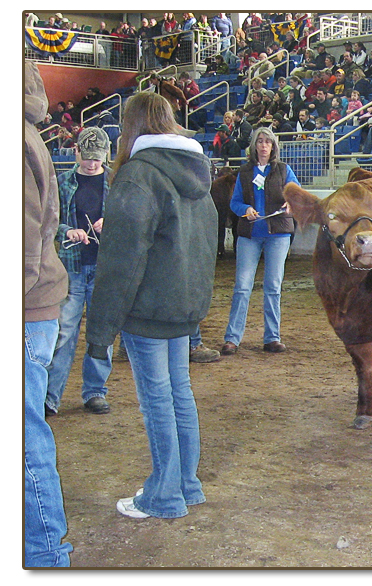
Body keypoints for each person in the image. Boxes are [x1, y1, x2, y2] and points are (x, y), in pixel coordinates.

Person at [84, 91, 216, 519]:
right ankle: (186, 485)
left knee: (158, 399)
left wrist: (100, 332)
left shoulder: (138, 176)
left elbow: (120, 262)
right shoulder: (196, 173)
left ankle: (164, 496)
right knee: (179, 393)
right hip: (182, 308)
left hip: (147, 310)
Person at [24, 61, 74, 567]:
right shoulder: (28, 137)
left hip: (25, 307)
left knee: (22, 434)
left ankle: (43, 551)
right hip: (35, 304)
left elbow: (20, 245)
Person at [44, 127, 113, 417]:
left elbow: (130, 222)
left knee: (101, 334)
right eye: (87, 157)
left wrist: (110, 222)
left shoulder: (115, 183)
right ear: (76, 152)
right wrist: (67, 231)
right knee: (63, 334)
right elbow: (50, 221)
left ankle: (95, 391)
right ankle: (50, 396)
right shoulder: (63, 182)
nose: (92, 163)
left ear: (105, 155)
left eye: (96, 158)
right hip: (71, 268)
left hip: (104, 269)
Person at [221, 127, 300, 355]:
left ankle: (272, 337)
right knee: (242, 287)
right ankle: (232, 338)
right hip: (250, 235)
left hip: (278, 235)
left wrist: (291, 203)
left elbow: (296, 194)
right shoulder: (245, 172)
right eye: (260, 141)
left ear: (273, 146)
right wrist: (245, 209)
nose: (264, 145)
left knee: (273, 287)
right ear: (254, 145)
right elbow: (235, 202)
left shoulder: (284, 170)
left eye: (268, 142)